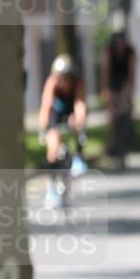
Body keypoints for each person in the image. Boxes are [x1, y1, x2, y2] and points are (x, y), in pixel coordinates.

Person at [38, 54, 87, 202]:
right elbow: (46, 106)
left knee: (78, 128)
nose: (63, 82)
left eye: (66, 78)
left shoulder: (77, 84)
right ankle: (51, 186)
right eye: (60, 78)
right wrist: (43, 128)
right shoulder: (52, 83)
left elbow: (80, 104)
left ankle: (78, 158)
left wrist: (80, 123)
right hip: (56, 113)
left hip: (70, 111)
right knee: (53, 146)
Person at [100, 32, 136, 165]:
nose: (121, 47)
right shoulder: (109, 52)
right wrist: (106, 91)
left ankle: (129, 138)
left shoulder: (131, 52)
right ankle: (111, 144)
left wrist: (129, 91)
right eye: (118, 45)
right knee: (112, 115)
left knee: (128, 109)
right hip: (112, 81)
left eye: (123, 44)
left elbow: (132, 73)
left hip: (124, 81)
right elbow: (105, 72)